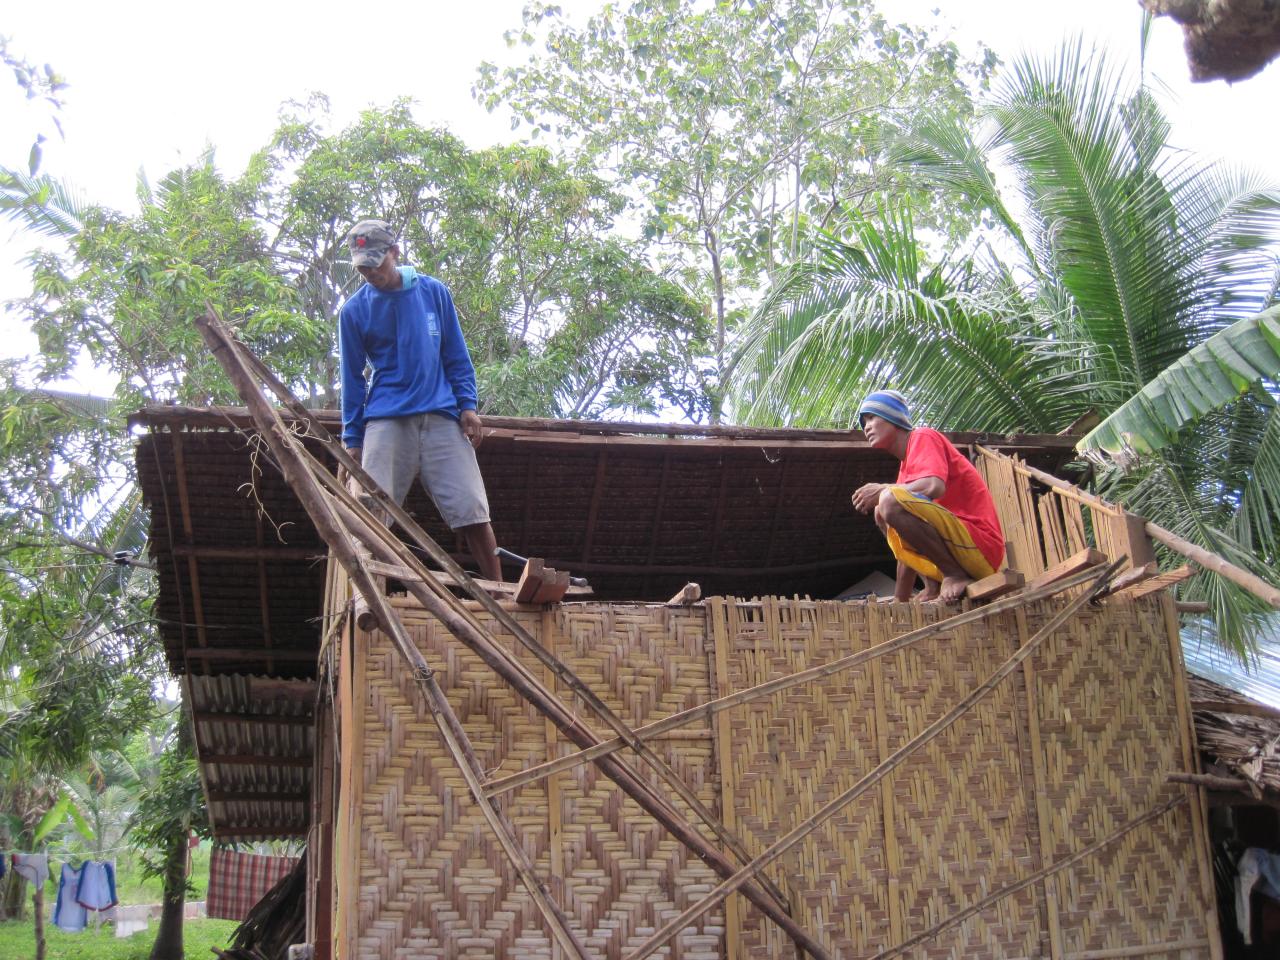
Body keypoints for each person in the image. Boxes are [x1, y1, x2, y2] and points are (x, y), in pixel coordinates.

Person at [339, 218, 503, 582]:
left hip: (440, 414)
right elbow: (351, 379)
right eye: (362, 265)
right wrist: (353, 439)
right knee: (370, 510)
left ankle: (498, 592)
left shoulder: (433, 293)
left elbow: (456, 356)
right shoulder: (354, 311)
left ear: (395, 254)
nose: (370, 272)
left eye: (376, 263)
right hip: (386, 417)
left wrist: (468, 407)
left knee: (473, 510)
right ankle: (370, 591)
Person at [850, 390, 1004, 602]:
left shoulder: (923, 436)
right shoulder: (905, 470)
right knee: (882, 511)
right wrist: (900, 600)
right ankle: (932, 585)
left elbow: (934, 485)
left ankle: (954, 574)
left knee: (888, 500)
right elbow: (905, 540)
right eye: (864, 422)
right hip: (960, 549)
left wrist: (884, 489)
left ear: (892, 417)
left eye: (871, 417)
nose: (866, 426)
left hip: (982, 548)